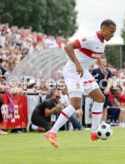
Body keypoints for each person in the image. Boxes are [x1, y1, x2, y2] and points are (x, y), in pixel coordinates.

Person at [45, 19, 116, 147]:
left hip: (83, 72)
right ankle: (52, 132)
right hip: (73, 71)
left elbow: (96, 55)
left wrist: (101, 67)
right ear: (103, 29)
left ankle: (94, 131)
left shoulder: (102, 43)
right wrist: (77, 64)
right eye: (111, 32)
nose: (112, 35)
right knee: (76, 104)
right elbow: (68, 47)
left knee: (100, 98)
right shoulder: (91, 38)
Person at [91, 56, 113, 122]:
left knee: (104, 108)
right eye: (102, 62)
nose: (103, 63)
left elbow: (110, 81)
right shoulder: (95, 71)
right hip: (96, 92)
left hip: (104, 92)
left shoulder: (108, 71)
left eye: (104, 62)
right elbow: (92, 80)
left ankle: (103, 122)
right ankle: (96, 122)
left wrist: (107, 89)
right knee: (96, 107)